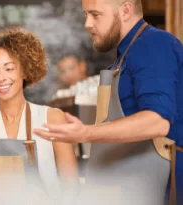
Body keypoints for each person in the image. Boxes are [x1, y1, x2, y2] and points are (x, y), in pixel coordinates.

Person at [33, 0, 183, 205]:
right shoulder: (123, 58)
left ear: (126, 10)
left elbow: (157, 121)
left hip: (156, 191)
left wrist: (85, 133)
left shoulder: (153, 45)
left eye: (95, 15)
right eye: (86, 14)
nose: (87, 23)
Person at [0, 27, 79, 204]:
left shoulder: (53, 119)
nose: (1, 78)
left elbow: (70, 187)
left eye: (9, 69)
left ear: (24, 71)